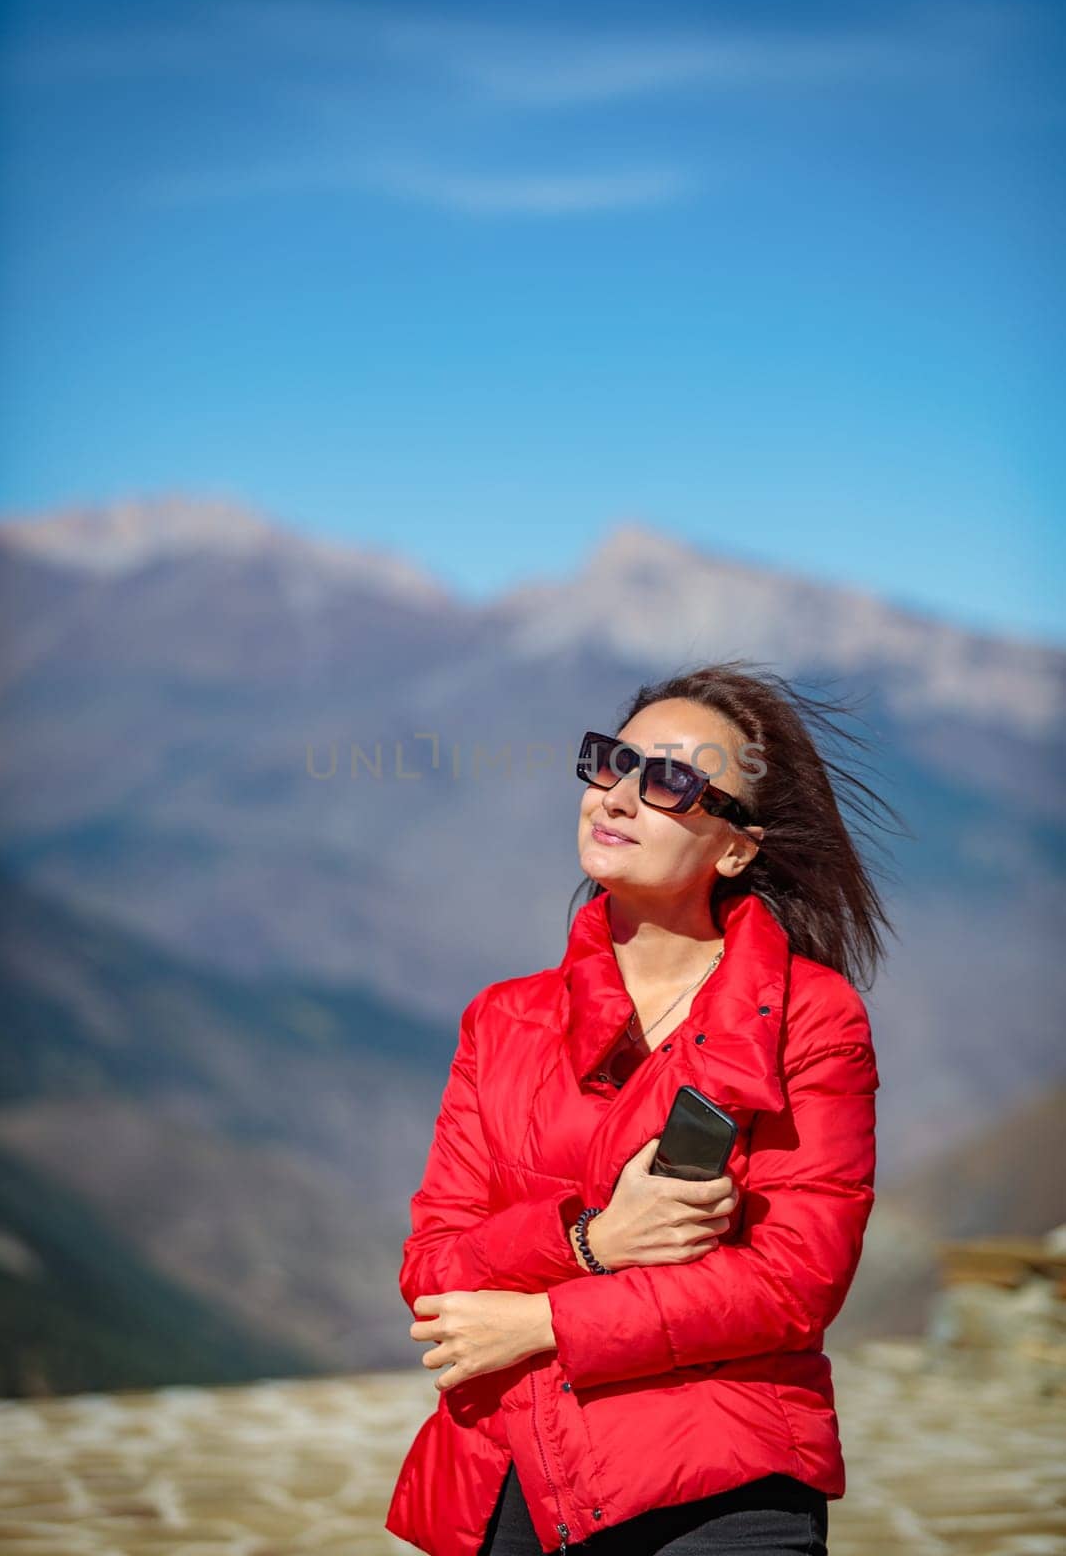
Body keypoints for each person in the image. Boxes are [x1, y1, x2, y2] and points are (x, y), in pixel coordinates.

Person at [385, 661, 900, 1556]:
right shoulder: (502, 1019)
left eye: (668, 781)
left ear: (734, 848)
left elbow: (791, 1288)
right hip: (512, 1463)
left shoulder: (812, 1019)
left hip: (718, 1479)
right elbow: (433, 1273)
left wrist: (541, 1319)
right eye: (610, 763)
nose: (617, 797)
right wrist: (592, 1241)